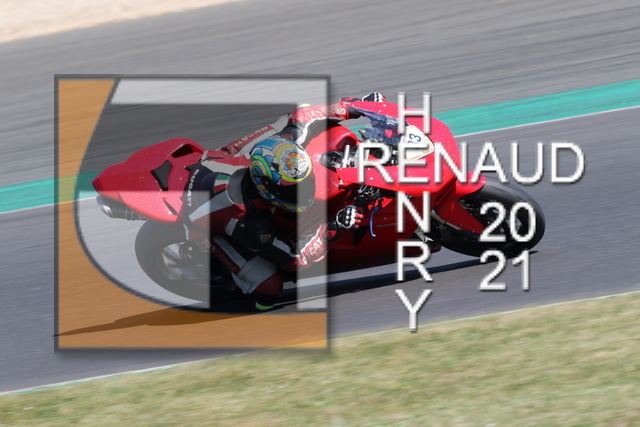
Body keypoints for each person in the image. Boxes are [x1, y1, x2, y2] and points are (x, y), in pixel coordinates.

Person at [181, 93, 387, 310]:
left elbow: (304, 116)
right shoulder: (253, 226)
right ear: (268, 190)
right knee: (268, 291)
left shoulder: (280, 146)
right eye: (297, 188)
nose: (307, 189)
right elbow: (295, 258)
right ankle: (220, 267)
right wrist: (336, 225)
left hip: (217, 161)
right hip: (203, 224)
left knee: (294, 118)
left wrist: (354, 107)